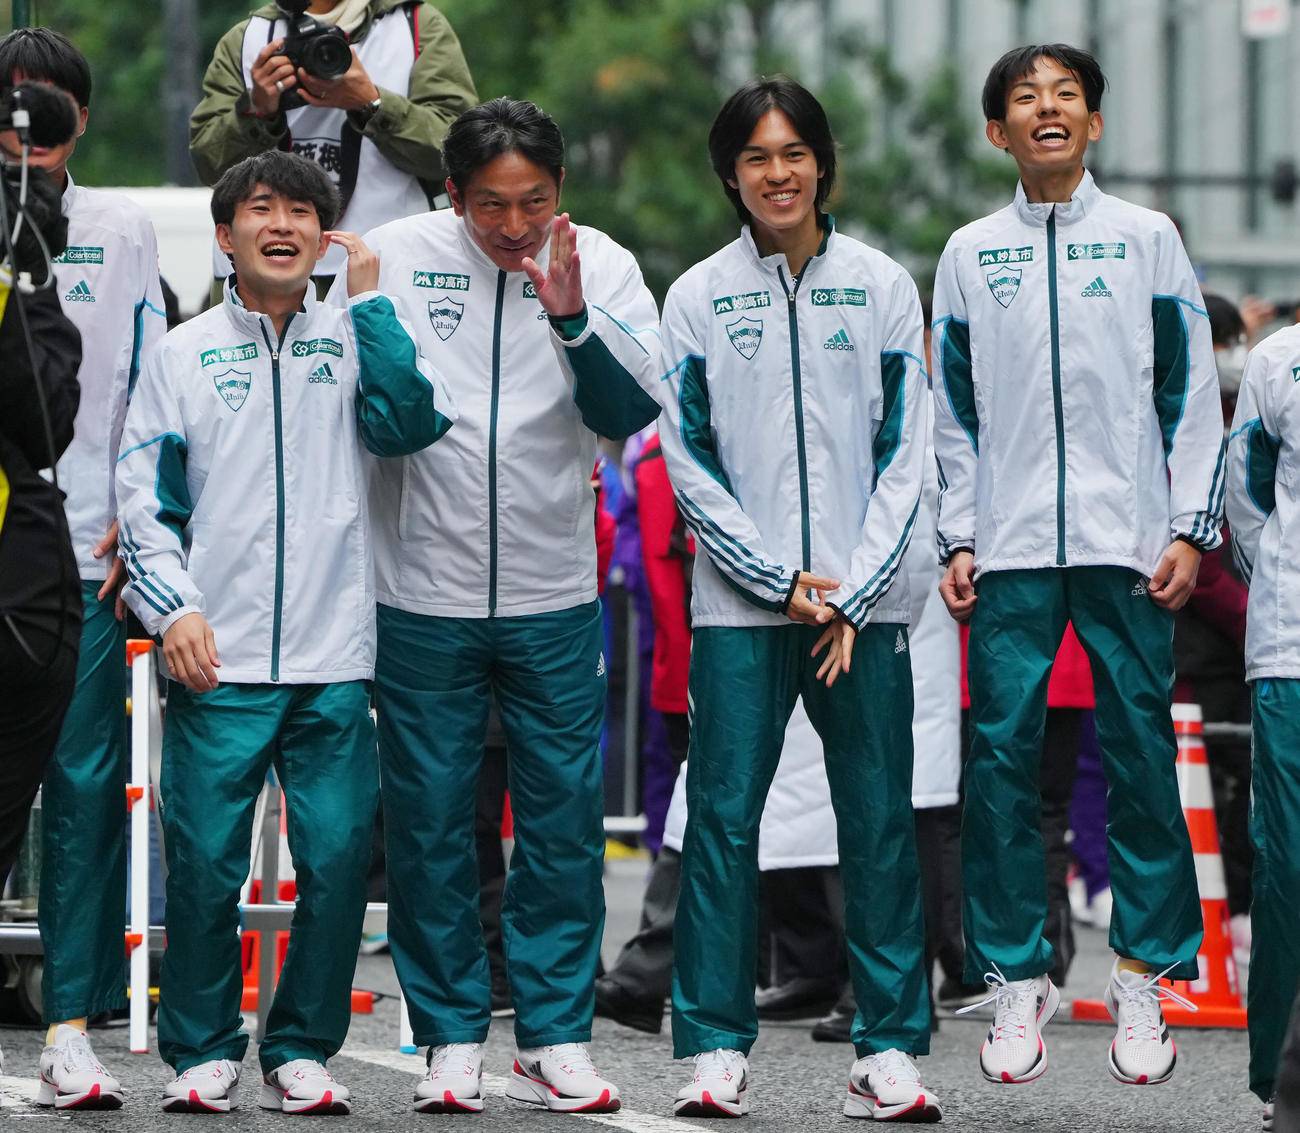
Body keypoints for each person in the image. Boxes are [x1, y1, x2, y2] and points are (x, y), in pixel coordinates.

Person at [114, 149, 455, 1114]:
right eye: (261, 208)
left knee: (342, 855)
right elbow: (145, 498)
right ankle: (203, 1048)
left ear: (324, 235)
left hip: (334, 656)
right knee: (206, 862)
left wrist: (376, 304)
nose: (284, 224)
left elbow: (407, 425)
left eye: (303, 211)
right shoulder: (181, 353)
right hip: (216, 655)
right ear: (226, 236)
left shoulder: (355, 336)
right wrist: (173, 607)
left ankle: (301, 1045)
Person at [356, 97, 660, 1114]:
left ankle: (554, 1035)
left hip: (553, 591)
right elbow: (371, 415)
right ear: (452, 194)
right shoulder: (393, 254)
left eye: (534, 200)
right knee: (433, 824)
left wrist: (570, 317)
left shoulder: (604, 264)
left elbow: (629, 416)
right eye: (491, 205)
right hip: (420, 590)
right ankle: (448, 1033)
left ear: (560, 191)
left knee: (564, 827)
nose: (514, 225)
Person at [932, 43, 1224, 1089]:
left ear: (1091, 124)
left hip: (1128, 542)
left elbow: (1188, 392)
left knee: (1139, 757)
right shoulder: (968, 252)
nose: (1045, 109)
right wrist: (958, 533)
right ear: (996, 131)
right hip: (1009, 547)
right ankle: (1017, 977)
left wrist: (1189, 525)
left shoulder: (1146, 239)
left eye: (1064, 97)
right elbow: (951, 409)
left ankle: (1145, 972)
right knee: (1001, 764)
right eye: (1024, 98)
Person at [657, 75, 938, 1121]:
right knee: (725, 823)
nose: (777, 173)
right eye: (755, 158)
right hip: (743, 606)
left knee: (876, 822)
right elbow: (688, 460)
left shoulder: (881, 285)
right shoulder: (694, 295)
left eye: (793, 153)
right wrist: (779, 580)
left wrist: (851, 594)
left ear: (821, 160)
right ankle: (714, 1047)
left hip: (861, 613)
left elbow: (904, 450)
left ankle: (889, 1047)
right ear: (730, 174)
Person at [0, 26, 167, 1110]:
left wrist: (133, 530)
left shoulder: (122, 225)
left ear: (83, 120)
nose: (32, 124)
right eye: (15, 102)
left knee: (82, 785)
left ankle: (70, 1019)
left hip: (84, 547)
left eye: (52, 105)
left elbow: (146, 382)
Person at [190, 0, 476, 294]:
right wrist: (258, 111)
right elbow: (209, 165)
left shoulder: (416, 26)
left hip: (389, 269)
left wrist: (372, 103)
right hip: (259, 275)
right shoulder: (249, 37)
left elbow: (461, 157)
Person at [1225, 308, 1300, 1129]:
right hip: (1293, 653)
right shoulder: (1280, 362)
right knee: (1291, 866)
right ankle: (1283, 1075)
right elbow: (1246, 504)